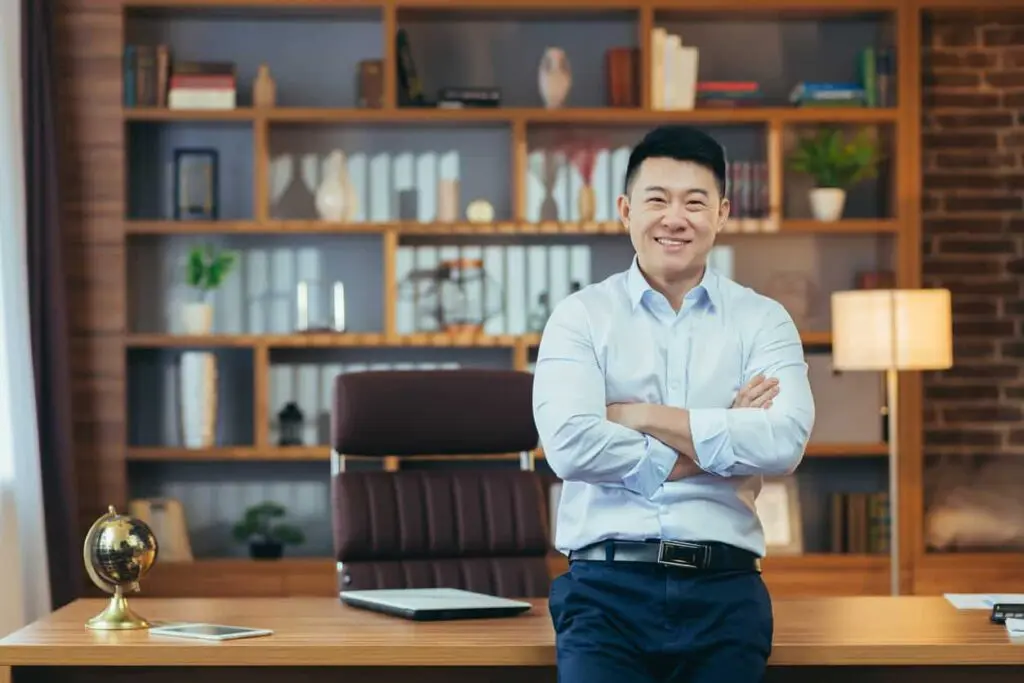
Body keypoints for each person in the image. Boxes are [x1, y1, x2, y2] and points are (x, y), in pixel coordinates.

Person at [532, 124, 815, 683]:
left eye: (695, 201)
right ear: (625, 210)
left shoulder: (763, 320)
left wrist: (636, 415)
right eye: (656, 199)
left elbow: (784, 442)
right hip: (604, 593)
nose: (674, 218)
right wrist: (723, 435)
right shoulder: (580, 318)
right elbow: (569, 447)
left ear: (723, 212)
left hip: (726, 593)